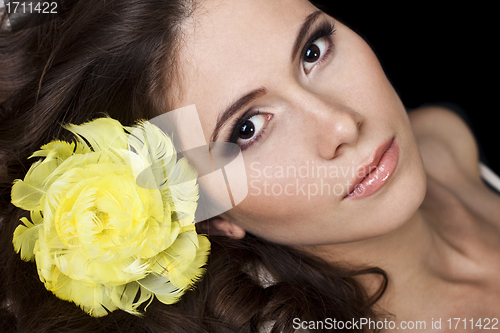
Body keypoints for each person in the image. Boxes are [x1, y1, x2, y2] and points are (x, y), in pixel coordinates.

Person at [1, 1, 499, 332]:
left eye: (312, 51)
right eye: (247, 129)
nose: (342, 125)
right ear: (206, 210)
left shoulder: (444, 137)